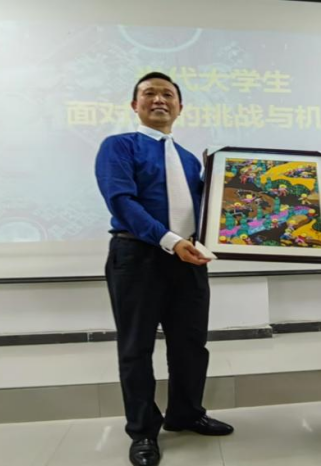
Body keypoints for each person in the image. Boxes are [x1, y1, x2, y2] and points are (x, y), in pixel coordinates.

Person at [95, 72, 234, 466]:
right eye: (149, 93)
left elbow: (213, 210)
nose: (159, 99)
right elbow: (121, 201)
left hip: (188, 260)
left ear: (180, 107)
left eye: (167, 94)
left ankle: (186, 414)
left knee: (191, 344)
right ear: (134, 105)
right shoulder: (119, 146)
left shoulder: (190, 160)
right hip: (137, 257)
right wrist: (171, 240)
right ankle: (142, 431)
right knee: (136, 348)